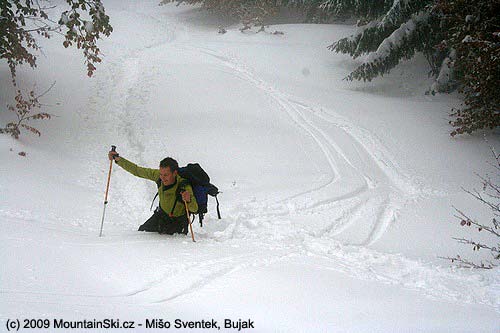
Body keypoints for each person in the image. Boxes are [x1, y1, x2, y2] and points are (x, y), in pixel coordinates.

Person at [108, 150, 198, 235]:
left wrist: (188, 199)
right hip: (161, 216)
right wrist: (118, 159)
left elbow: (194, 209)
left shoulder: (183, 185)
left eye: (166, 175)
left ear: (175, 173)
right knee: (142, 232)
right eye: (161, 174)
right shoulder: (158, 176)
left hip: (178, 223)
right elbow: (137, 170)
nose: (162, 178)